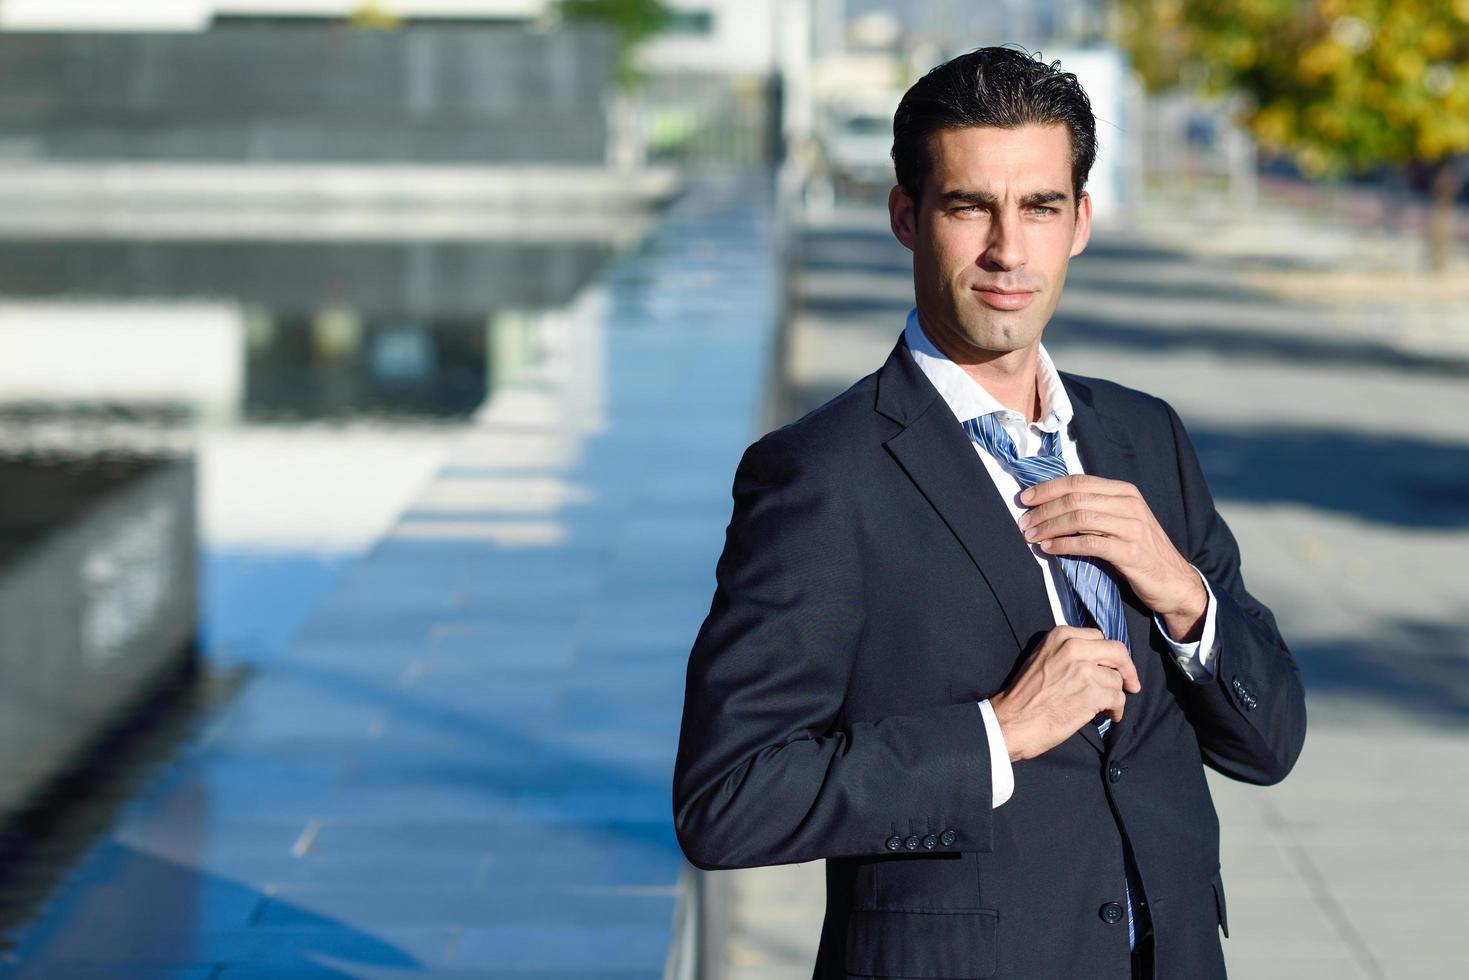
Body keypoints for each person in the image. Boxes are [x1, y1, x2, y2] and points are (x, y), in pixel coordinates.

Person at [672, 46, 1306, 979]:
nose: (1008, 250)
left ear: (1080, 221)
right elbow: (727, 802)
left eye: (1040, 207)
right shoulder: (820, 476)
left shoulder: (1143, 435)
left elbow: (1268, 742)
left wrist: (1183, 597)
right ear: (905, 215)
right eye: (970, 207)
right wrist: (996, 734)